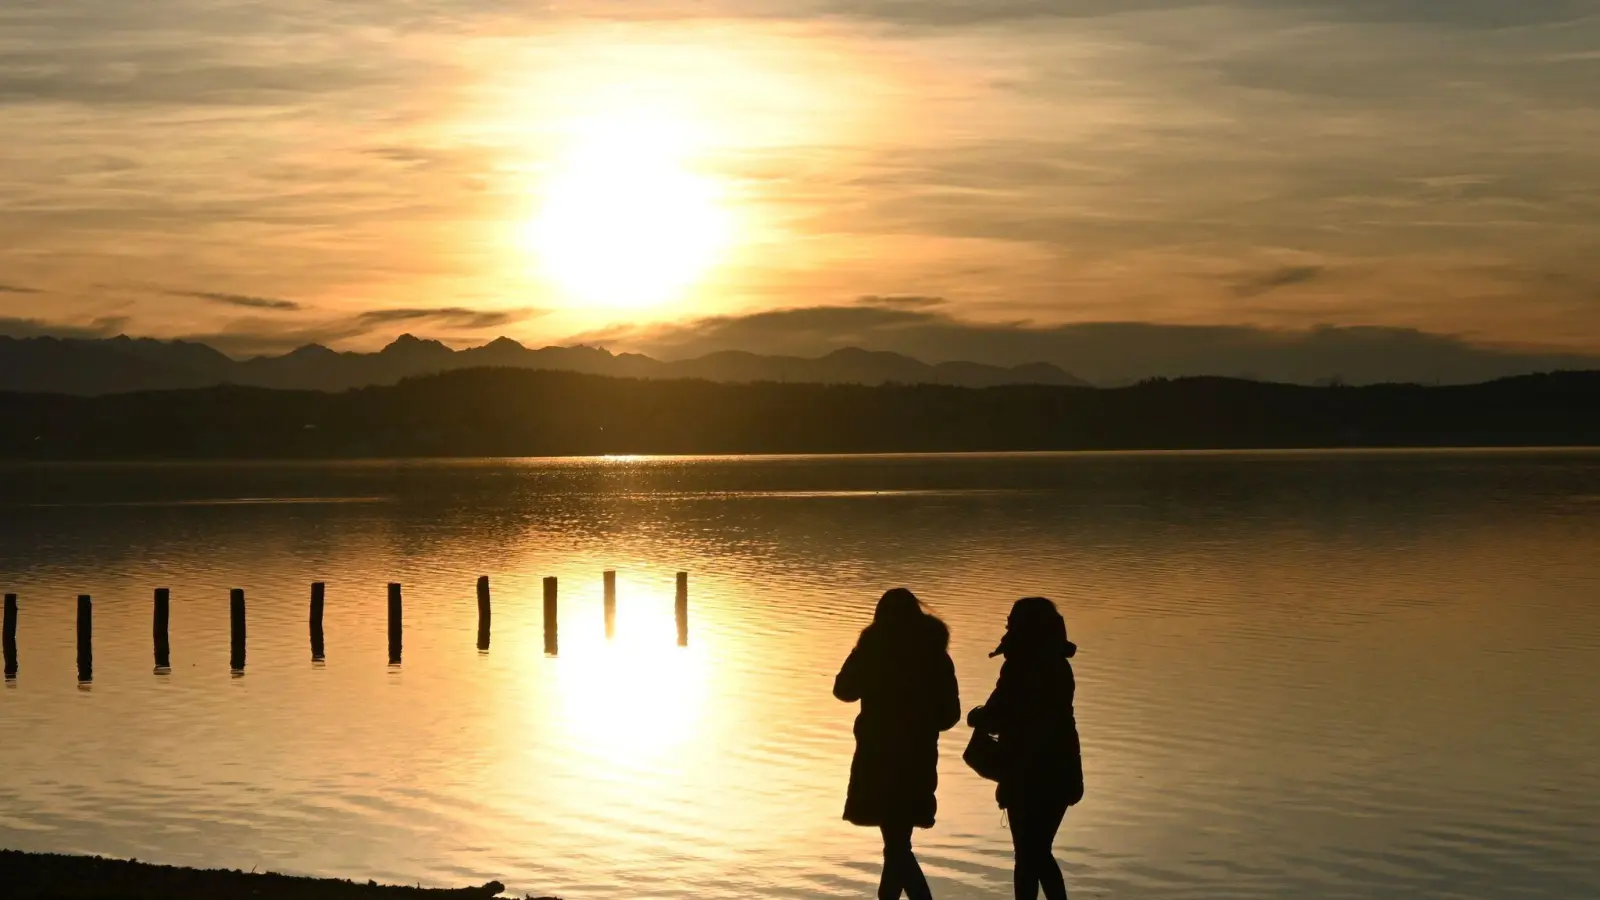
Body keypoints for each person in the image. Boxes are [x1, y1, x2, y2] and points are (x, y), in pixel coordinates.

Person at [834, 588, 961, 900]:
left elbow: (844, 690)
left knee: (896, 844)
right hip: (918, 757)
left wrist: (859, 650)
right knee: (898, 841)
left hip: (876, 757)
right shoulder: (936, 656)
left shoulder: (872, 652)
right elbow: (949, 716)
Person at [968, 597, 1083, 900]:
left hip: (1026, 773)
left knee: (1028, 854)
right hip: (1061, 770)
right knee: (1039, 852)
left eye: (1011, 620)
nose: (1006, 624)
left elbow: (998, 713)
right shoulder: (1059, 665)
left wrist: (977, 716)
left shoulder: (1020, 666)